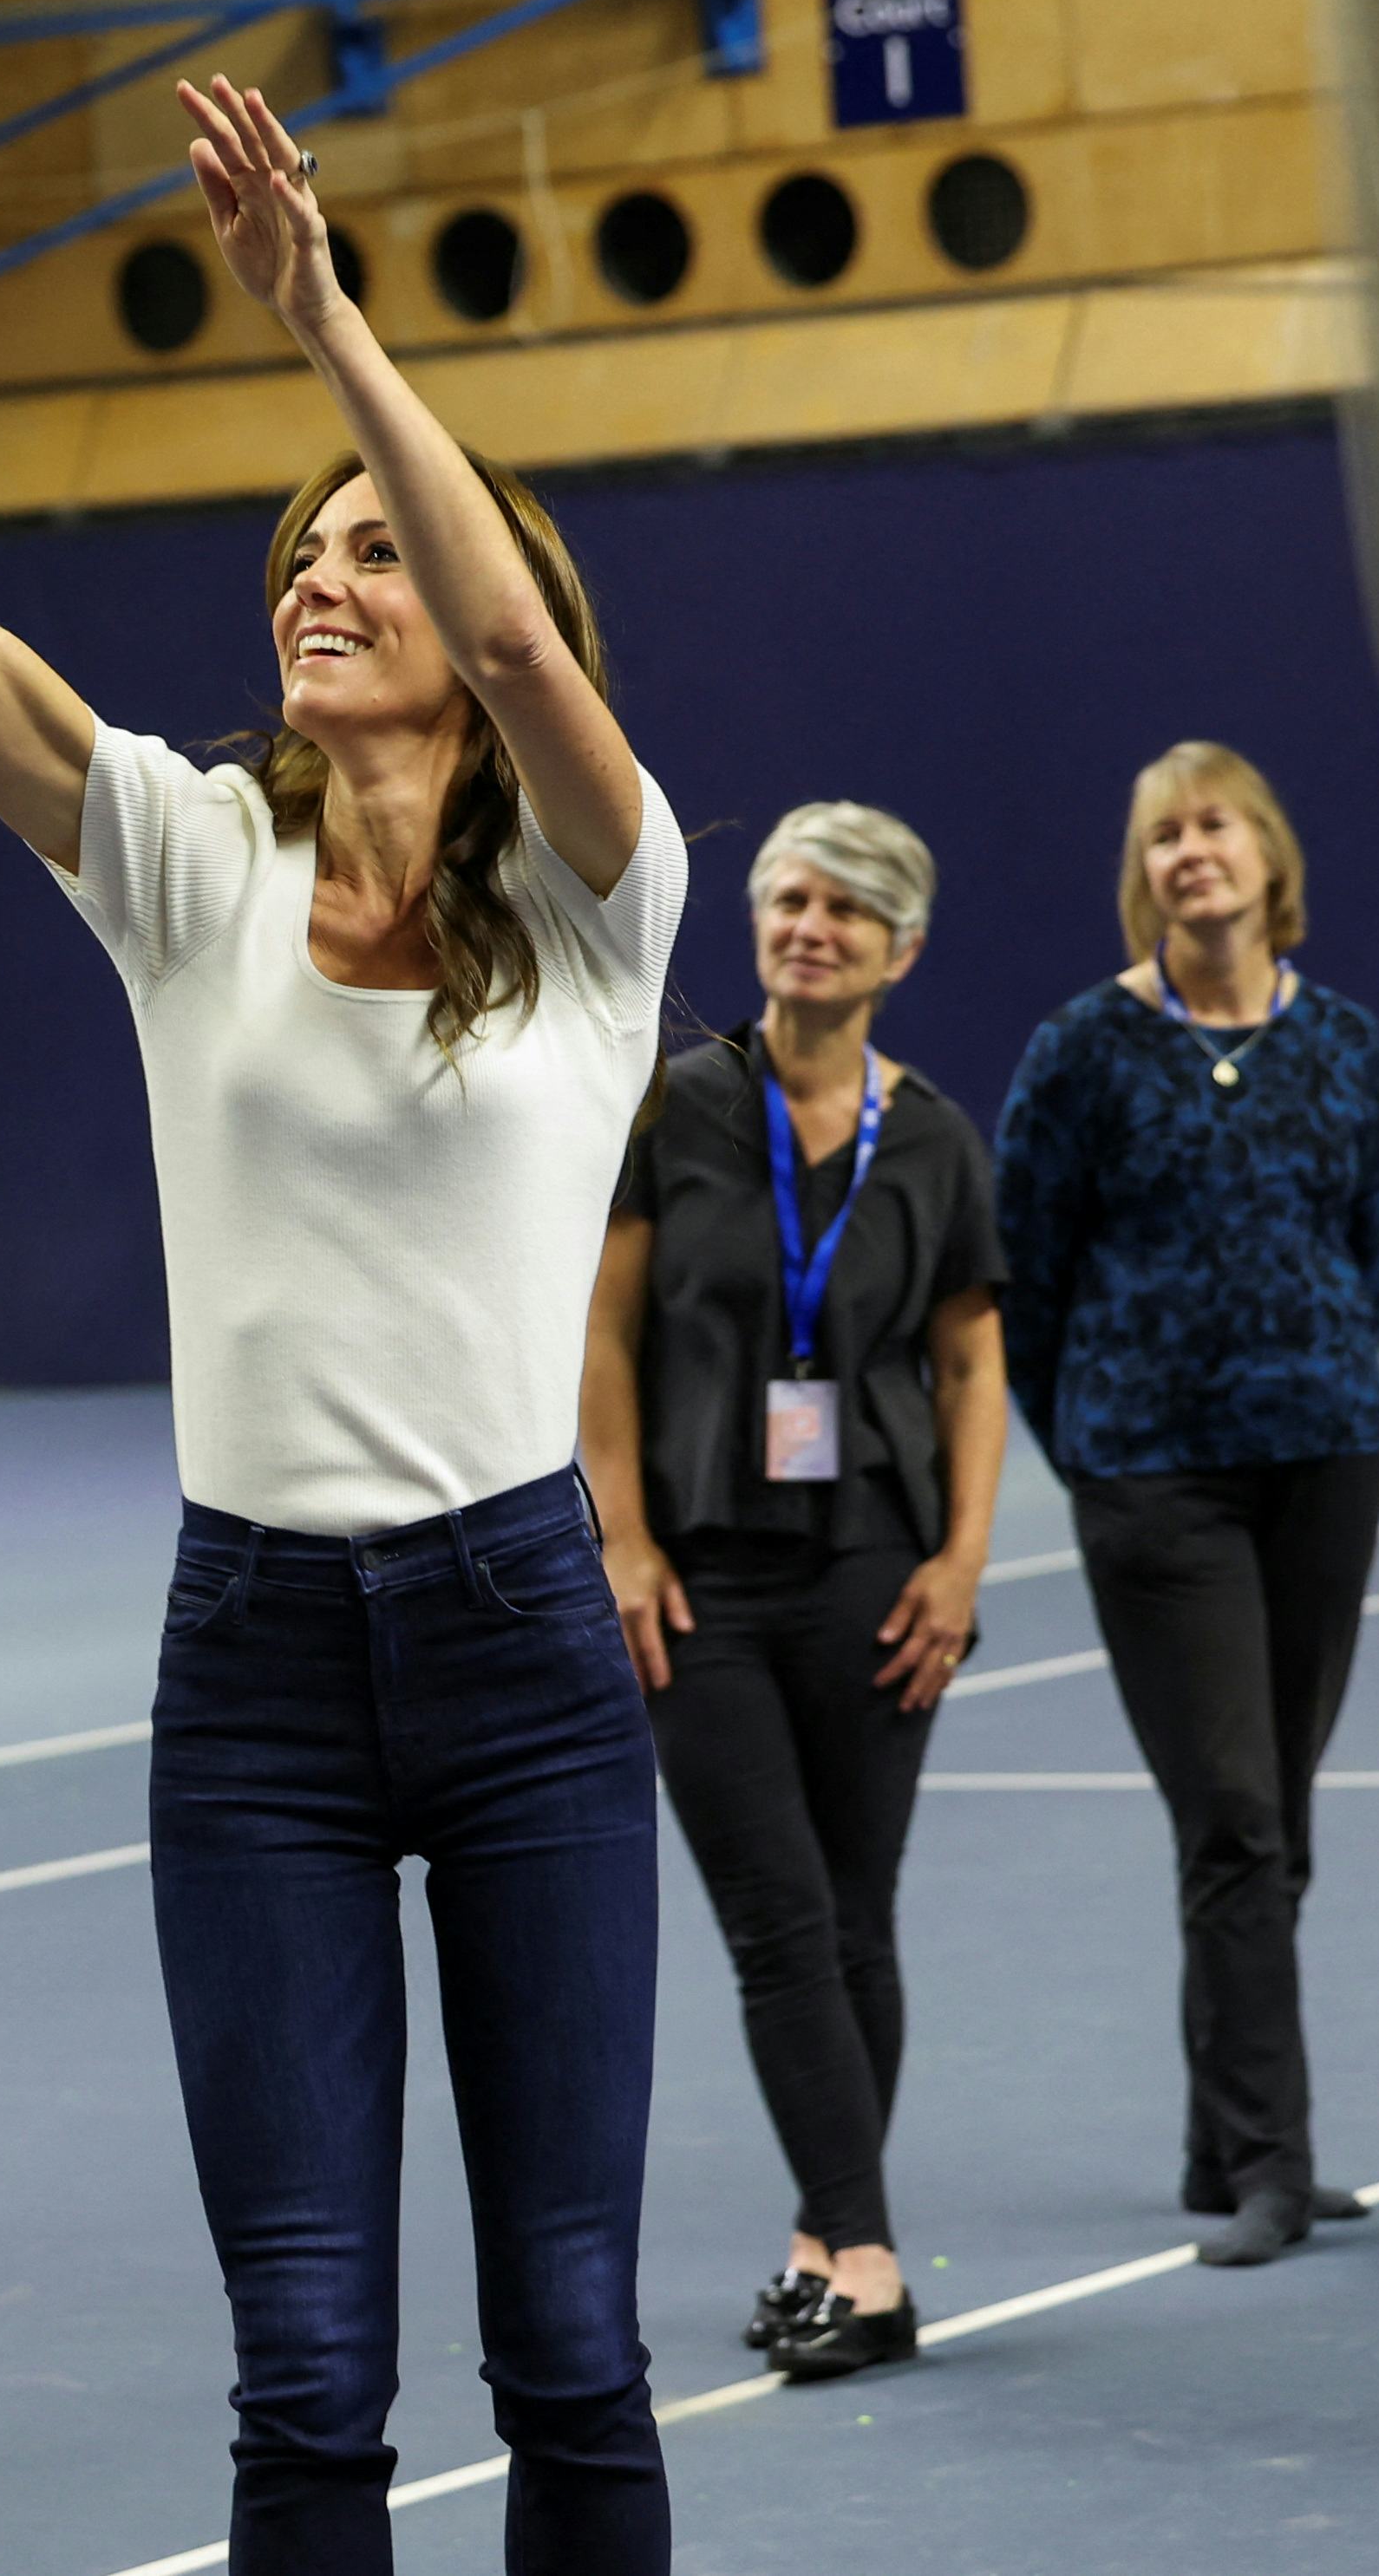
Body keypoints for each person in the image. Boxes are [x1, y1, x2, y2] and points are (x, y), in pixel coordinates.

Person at [0, 83, 683, 2575]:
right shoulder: (192, 861)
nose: (320, 578)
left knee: (569, 2341)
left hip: (523, 1642)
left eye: (369, 552)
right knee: (307, 2364)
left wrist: (317, 314)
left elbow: (516, 622)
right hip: (259, 1671)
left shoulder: (615, 906)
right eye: (296, 555)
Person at [580, 802, 1005, 2389]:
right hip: (701, 1580)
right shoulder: (671, 1112)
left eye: (843, 909)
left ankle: (833, 2249)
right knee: (777, 1917)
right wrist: (622, 1539)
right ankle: (869, 2255)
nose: (807, 926)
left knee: (856, 1916)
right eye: (784, 900)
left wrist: (962, 1562)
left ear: (898, 950)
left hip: (876, 1571)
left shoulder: (940, 1138)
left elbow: (970, 1360)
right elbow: (600, 1339)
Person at [992, 741, 1379, 2272]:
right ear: (1142, 873)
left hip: (1325, 1458)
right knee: (1230, 1809)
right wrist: (1092, 1440)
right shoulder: (1085, 1051)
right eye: (1162, 833)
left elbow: (1372, 1240)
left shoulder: (1348, 1044)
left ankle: (1212, 2141)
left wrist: (1323, 1371)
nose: (1189, 852)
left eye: (1214, 824)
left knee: (1272, 1817)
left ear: (1268, 857)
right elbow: (1021, 1269)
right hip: (1153, 1480)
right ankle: (1278, 2167)